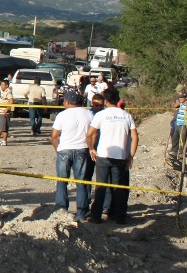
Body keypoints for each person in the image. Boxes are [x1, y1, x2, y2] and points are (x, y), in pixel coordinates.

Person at [86, 87, 138, 225]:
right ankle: (119, 216)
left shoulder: (101, 115)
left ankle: (96, 216)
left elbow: (89, 134)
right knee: (119, 188)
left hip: (103, 155)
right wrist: (131, 155)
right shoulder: (126, 115)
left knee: (100, 187)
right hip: (120, 156)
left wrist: (91, 148)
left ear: (106, 101)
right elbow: (135, 136)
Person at [51, 89, 95, 221]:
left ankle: (61, 209)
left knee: (62, 181)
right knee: (81, 183)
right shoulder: (89, 114)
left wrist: (57, 149)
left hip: (64, 150)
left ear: (68, 102)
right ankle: (81, 212)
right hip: (82, 149)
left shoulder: (62, 115)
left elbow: (54, 136)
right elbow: (94, 133)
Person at [169, 90, 187, 164]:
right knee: (175, 137)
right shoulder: (181, 103)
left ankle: (181, 153)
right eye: (180, 97)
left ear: (186, 97)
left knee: (183, 139)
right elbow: (174, 106)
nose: (180, 98)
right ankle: (174, 151)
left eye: (182, 97)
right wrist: (179, 102)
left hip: (184, 124)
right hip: (178, 124)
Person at [0, 79, 13, 146]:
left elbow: (11, 101)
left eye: (2, 85)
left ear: (6, 85)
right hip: (0, 112)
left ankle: (4, 141)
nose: (1, 86)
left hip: (4, 113)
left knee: (4, 128)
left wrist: (7, 109)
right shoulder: (3, 91)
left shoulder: (8, 92)